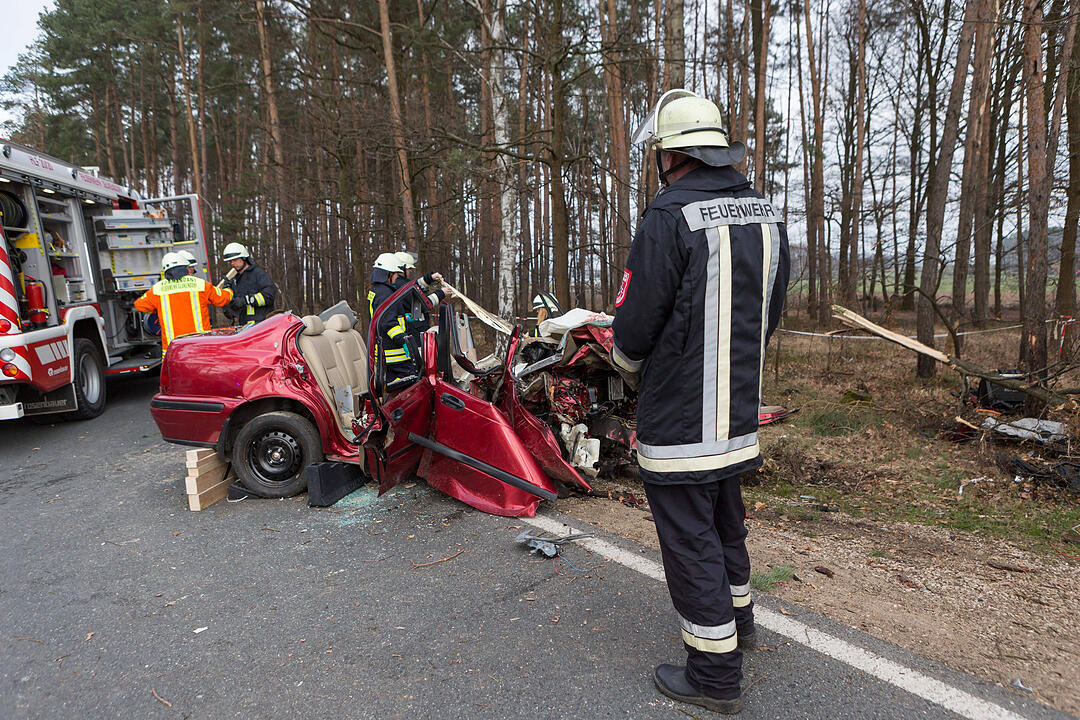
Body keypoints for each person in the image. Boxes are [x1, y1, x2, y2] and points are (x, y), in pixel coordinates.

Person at [610, 89, 789, 715]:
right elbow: (769, 309)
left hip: (682, 418)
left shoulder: (668, 215)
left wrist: (628, 368)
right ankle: (741, 625)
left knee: (689, 539)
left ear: (671, 155)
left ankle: (714, 675)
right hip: (738, 414)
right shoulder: (764, 212)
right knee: (723, 520)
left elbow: (634, 324)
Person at [134, 252, 234, 351]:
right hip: (200, 345)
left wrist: (158, 309)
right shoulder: (200, 284)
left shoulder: (157, 289)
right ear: (185, 267)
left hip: (173, 350)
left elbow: (140, 305)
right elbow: (223, 298)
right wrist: (229, 290)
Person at [221, 242, 277, 324]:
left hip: (262, 325)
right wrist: (227, 301)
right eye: (230, 261)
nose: (232, 263)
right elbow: (234, 309)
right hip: (245, 328)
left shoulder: (259, 274)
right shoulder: (235, 280)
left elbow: (269, 296)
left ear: (244, 258)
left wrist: (247, 300)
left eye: (235, 260)